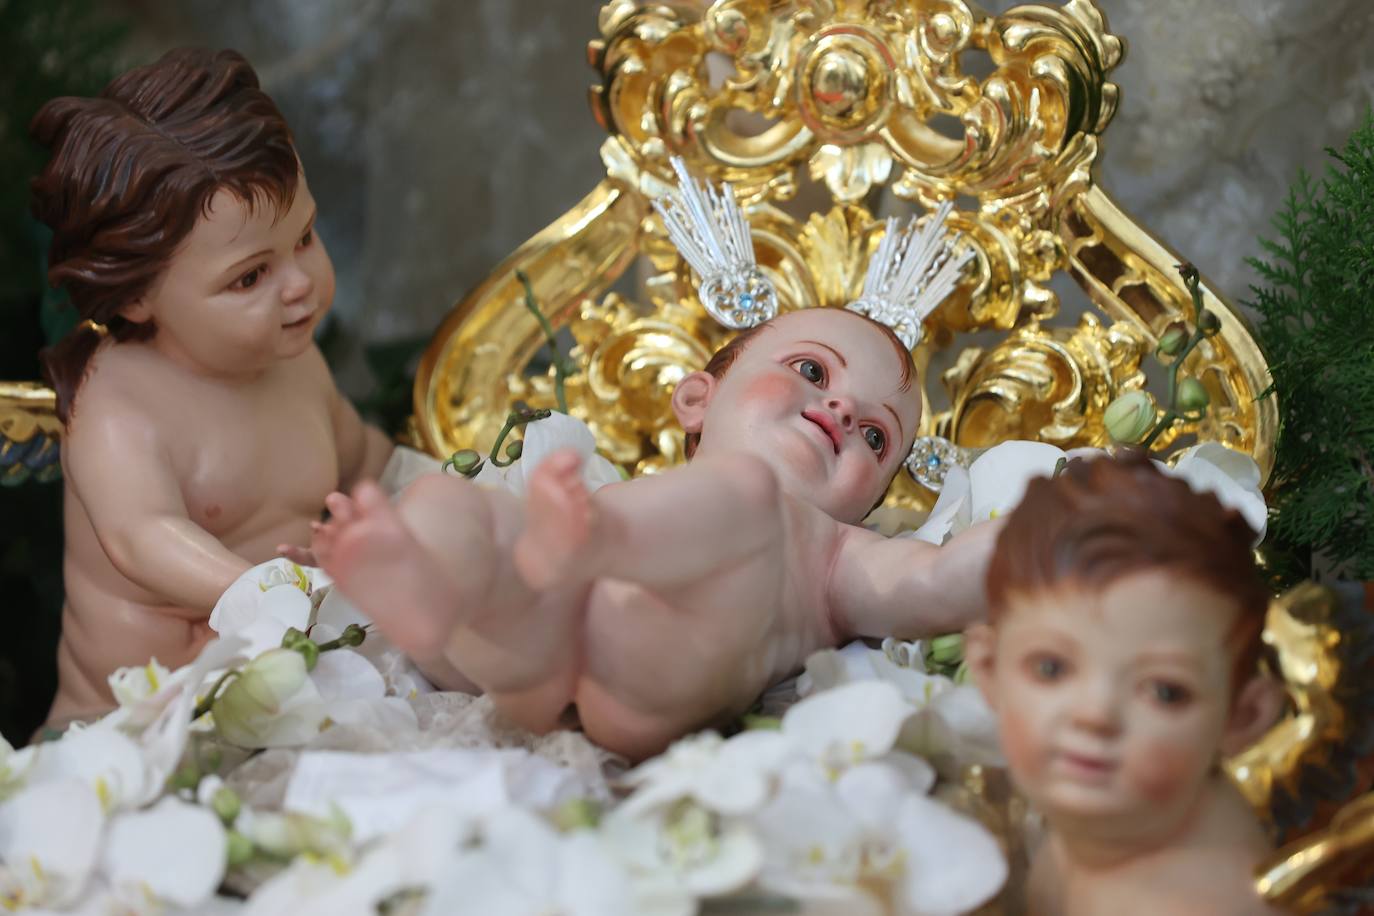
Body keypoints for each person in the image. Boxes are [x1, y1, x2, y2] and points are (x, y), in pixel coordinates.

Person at [312, 306, 1001, 759]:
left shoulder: (840, 554)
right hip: (533, 651)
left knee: (741, 495)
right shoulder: (604, 494)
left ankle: (569, 560)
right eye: (812, 371)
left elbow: (932, 582)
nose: (843, 409)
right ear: (697, 399)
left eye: (877, 437)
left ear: (870, 503)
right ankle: (424, 588)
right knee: (448, 501)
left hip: (644, 680)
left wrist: (1036, 536)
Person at [31, 48, 393, 729]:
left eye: (306, 236)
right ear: (138, 295)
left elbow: (363, 461)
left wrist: (423, 496)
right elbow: (141, 534)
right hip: (132, 722)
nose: (300, 284)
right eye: (250, 277)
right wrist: (265, 593)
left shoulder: (296, 365)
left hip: (282, 690)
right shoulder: (119, 404)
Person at [963, 454, 1284, 915]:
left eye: (1165, 692)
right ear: (988, 669)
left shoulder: (1197, 903)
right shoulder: (1116, 822)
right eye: (1051, 669)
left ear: (1243, 716)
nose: (1095, 714)